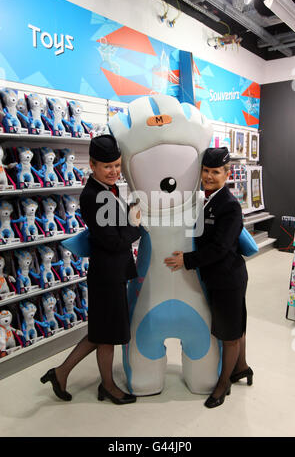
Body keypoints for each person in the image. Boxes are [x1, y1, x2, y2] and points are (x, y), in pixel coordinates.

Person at [40, 134, 142, 405]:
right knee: (106, 336)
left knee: (99, 332)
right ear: (93, 166)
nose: (114, 172)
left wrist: (130, 213)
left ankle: (60, 373)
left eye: (118, 166)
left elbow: (116, 226)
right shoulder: (93, 196)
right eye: (108, 167)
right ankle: (108, 386)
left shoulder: (111, 190)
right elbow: (113, 241)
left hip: (113, 271)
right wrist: (138, 225)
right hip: (107, 274)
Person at [164, 147, 253, 409]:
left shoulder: (229, 206)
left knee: (228, 333)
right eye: (205, 171)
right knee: (236, 325)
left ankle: (223, 384)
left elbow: (221, 248)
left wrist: (187, 260)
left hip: (228, 278)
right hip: (219, 277)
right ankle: (242, 368)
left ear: (227, 174)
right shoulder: (208, 199)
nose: (209, 176)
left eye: (215, 172)